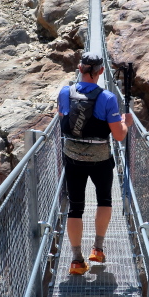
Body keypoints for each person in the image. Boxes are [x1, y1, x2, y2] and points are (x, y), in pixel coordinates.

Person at [58, 52, 133, 275]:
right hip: (100, 159)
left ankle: (76, 260)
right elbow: (119, 135)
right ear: (101, 71)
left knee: (75, 207)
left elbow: (63, 118)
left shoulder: (65, 92)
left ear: (79, 68)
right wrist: (126, 123)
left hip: (72, 157)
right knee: (104, 200)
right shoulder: (108, 98)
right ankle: (98, 249)